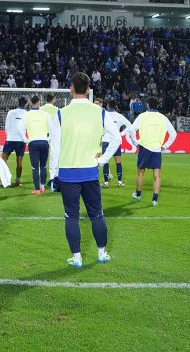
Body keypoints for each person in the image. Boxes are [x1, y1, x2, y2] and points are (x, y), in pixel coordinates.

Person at [48, 72, 122, 267]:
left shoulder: (61, 114)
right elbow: (117, 139)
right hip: (89, 172)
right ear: (88, 89)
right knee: (96, 214)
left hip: (67, 173)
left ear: (71, 88)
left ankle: (77, 257)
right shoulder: (100, 112)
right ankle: (102, 253)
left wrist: (52, 175)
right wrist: (103, 160)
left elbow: (54, 148)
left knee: (71, 216)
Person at [128, 97, 177, 206]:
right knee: (157, 175)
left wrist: (136, 143)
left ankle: (138, 195)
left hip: (144, 147)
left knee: (140, 173)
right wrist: (165, 146)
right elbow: (173, 133)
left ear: (148, 105)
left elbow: (131, 130)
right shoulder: (163, 118)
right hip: (156, 149)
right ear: (157, 105)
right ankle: (154, 200)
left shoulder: (142, 116)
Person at [24, 95, 52, 194]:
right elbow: (51, 129)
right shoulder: (45, 114)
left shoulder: (26, 114)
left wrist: (26, 140)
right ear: (39, 102)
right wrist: (48, 139)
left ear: (30, 102)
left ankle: (37, 189)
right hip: (44, 142)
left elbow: (21, 129)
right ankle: (42, 187)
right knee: (43, 165)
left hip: (33, 142)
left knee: (35, 167)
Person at [101, 99, 132, 188]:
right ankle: (119, 182)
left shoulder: (104, 115)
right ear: (115, 107)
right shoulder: (119, 116)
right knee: (118, 161)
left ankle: (106, 183)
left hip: (106, 141)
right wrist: (121, 134)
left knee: (106, 161)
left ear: (107, 106)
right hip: (115, 141)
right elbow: (129, 125)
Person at [2, 96, 28, 186]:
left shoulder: (11, 112)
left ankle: (4, 180)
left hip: (10, 139)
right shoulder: (27, 114)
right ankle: (18, 180)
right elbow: (27, 127)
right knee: (19, 161)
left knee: (3, 159)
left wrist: (9, 136)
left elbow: (6, 126)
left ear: (17, 102)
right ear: (26, 103)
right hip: (21, 140)